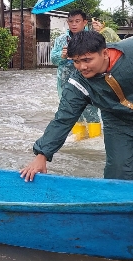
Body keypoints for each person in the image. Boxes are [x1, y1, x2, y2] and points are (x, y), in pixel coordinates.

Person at [21, 31, 133, 181]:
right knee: (118, 170)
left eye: (87, 60)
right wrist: (42, 155)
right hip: (118, 120)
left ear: (105, 53)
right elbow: (64, 118)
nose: (82, 67)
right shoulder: (79, 83)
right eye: (76, 61)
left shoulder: (129, 53)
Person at [50, 9, 101, 139]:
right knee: (72, 112)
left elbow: (104, 54)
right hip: (66, 83)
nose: (74, 24)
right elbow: (53, 60)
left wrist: (101, 32)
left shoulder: (92, 38)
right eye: (71, 21)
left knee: (91, 111)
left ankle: (95, 141)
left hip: (89, 81)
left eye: (77, 21)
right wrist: (62, 56)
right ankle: (79, 142)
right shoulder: (61, 40)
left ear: (84, 22)